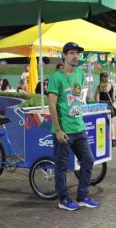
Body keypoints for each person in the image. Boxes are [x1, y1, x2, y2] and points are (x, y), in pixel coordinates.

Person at [47, 42, 98, 211]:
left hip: (79, 127)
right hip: (64, 131)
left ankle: (82, 196)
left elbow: (76, 99)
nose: (76, 56)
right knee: (61, 167)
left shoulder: (80, 74)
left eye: (77, 53)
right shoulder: (56, 77)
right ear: (64, 56)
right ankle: (63, 200)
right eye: (72, 53)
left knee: (88, 160)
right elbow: (52, 105)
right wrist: (58, 130)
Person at [95, 72, 116, 147]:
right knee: (111, 123)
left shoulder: (99, 87)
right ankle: (113, 140)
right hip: (109, 106)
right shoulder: (111, 86)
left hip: (102, 107)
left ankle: (103, 140)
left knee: (102, 124)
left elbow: (97, 99)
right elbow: (113, 99)